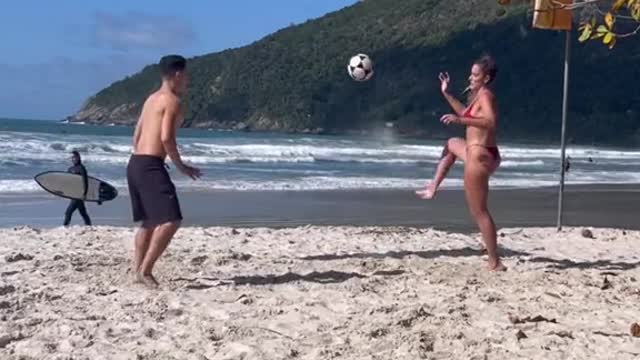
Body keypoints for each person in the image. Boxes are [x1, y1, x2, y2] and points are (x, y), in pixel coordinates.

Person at [415, 55, 504, 271]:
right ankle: (432, 187)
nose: (470, 77)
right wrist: (446, 93)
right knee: (452, 144)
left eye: (475, 74)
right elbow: (464, 113)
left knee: (479, 212)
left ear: (486, 77)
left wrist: (460, 121)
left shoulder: (486, 96)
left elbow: (490, 122)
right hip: (480, 151)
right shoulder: (478, 96)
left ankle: (494, 262)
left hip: (479, 157)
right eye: (471, 73)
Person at [127, 54, 201, 288]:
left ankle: (138, 270)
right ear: (178, 74)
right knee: (171, 220)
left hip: (135, 163)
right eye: (186, 75)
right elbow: (167, 137)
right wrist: (181, 166)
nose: (188, 80)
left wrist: (145, 156)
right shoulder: (172, 101)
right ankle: (145, 272)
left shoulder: (150, 99)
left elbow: (137, 134)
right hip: (150, 165)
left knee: (149, 222)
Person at [63, 151, 92, 226]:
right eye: (72, 157)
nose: (73, 159)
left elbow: (85, 182)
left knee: (68, 211)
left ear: (79, 158)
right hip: (73, 194)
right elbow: (66, 182)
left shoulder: (81, 168)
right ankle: (88, 225)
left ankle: (65, 226)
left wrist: (84, 193)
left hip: (78, 194)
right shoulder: (70, 169)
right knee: (83, 212)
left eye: (75, 157)